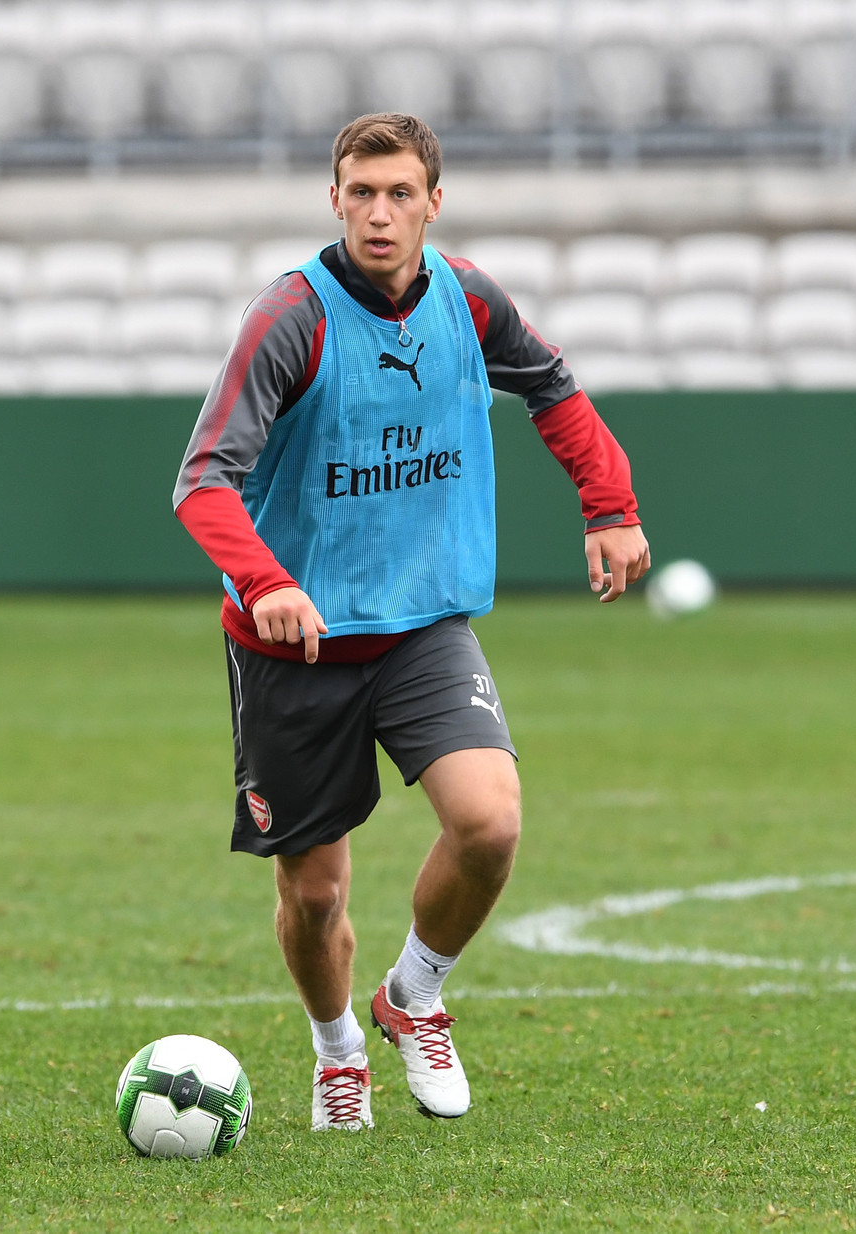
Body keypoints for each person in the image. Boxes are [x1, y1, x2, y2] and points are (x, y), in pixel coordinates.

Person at [173, 113, 650, 1132]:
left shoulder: (469, 300)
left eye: (398, 193)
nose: (378, 212)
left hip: (422, 626)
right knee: (313, 898)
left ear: (434, 201)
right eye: (360, 192)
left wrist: (609, 507)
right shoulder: (289, 319)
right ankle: (337, 1045)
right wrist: (266, 582)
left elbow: (554, 389)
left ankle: (414, 994)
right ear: (333, 199)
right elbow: (203, 480)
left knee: (490, 821)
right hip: (291, 645)